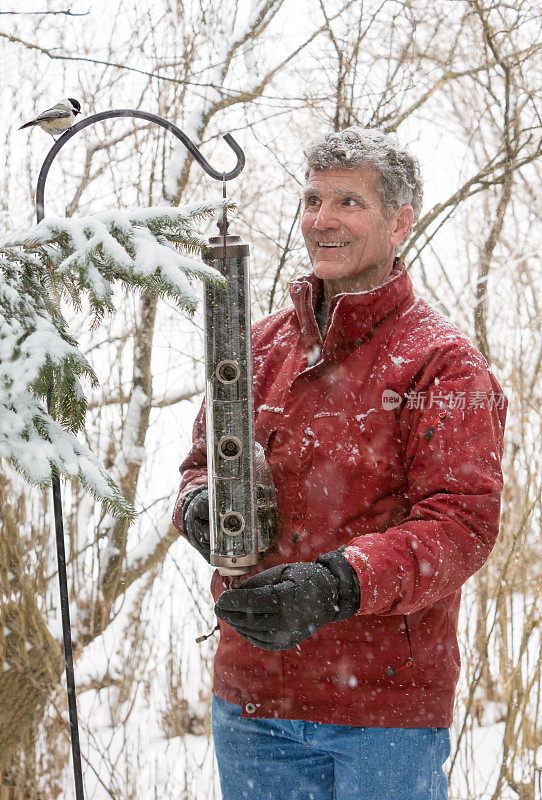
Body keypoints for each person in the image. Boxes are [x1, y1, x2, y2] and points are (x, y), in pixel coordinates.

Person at [173, 128, 507, 800]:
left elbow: (462, 526)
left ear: (399, 221)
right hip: (253, 699)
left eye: (349, 203)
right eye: (313, 200)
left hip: (382, 713)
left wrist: (338, 583)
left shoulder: (440, 362)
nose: (322, 220)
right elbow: (198, 465)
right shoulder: (259, 346)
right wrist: (197, 506)